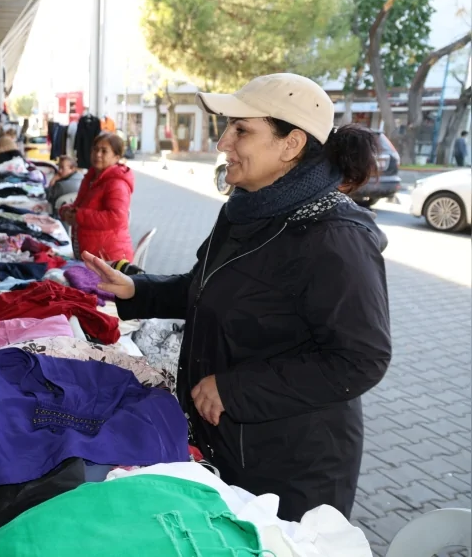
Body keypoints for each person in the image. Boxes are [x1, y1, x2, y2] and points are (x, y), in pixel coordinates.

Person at [83, 73, 391, 522]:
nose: (224, 142)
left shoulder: (335, 238)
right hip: (226, 443)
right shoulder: (246, 210)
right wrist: (137, 290)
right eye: (228, 126)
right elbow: (208, 289)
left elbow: (361, 359)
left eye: (242, 130)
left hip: (291, 471)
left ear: (291, 145)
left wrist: (236, 390)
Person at [59, 132, 134, 261]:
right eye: (95, 149)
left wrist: (78, 216)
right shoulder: (91, 178)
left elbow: (116, 218)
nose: (98, 154)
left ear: (116, 157)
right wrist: (66, 211)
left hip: (109, 258)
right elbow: (79, 206)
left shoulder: (117, 183)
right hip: (92, 254)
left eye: (104, 151)